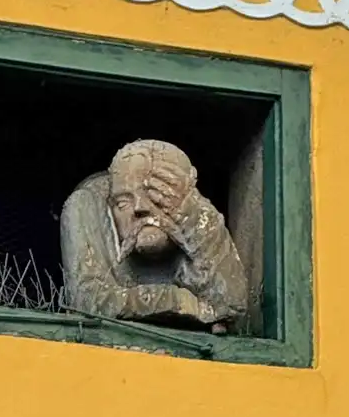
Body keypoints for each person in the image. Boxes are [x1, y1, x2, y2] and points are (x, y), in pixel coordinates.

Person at [59, 138, 248, 331]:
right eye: (123, 203)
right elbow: (91, 304)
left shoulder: (197, 223)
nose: (140, 208)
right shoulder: (89, 206)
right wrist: (179, 301)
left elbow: (229, 305)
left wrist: (195, 221)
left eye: (156, 195)